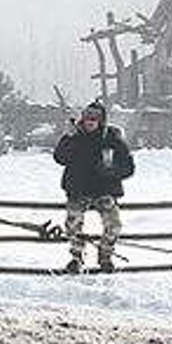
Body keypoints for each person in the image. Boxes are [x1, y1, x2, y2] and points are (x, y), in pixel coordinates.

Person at [54, 100, 135, 273]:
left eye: (95, 119)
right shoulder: (74, 136)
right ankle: (76, 257)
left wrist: (111, 172)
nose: (90, 122)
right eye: (87, 118)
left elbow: (128, 167)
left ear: (101, 121)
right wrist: (68, 137)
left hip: (104, 190)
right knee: (73, 224)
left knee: (113, 224)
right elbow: (60, 158)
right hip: (78, 190)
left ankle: (105, 256)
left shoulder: (112, 138)